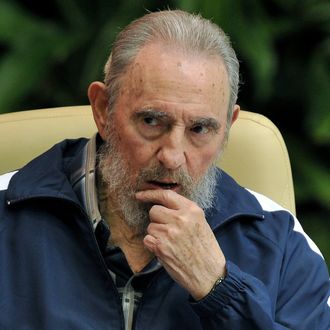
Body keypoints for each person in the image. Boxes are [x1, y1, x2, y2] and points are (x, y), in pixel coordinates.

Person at [0, 9, 329, 330]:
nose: (172, 156)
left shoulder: (281, 243)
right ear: (103, 110)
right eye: (151, 121)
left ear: (227, 127)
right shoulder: (8, 216)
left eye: (200, 129)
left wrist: (220, 290)